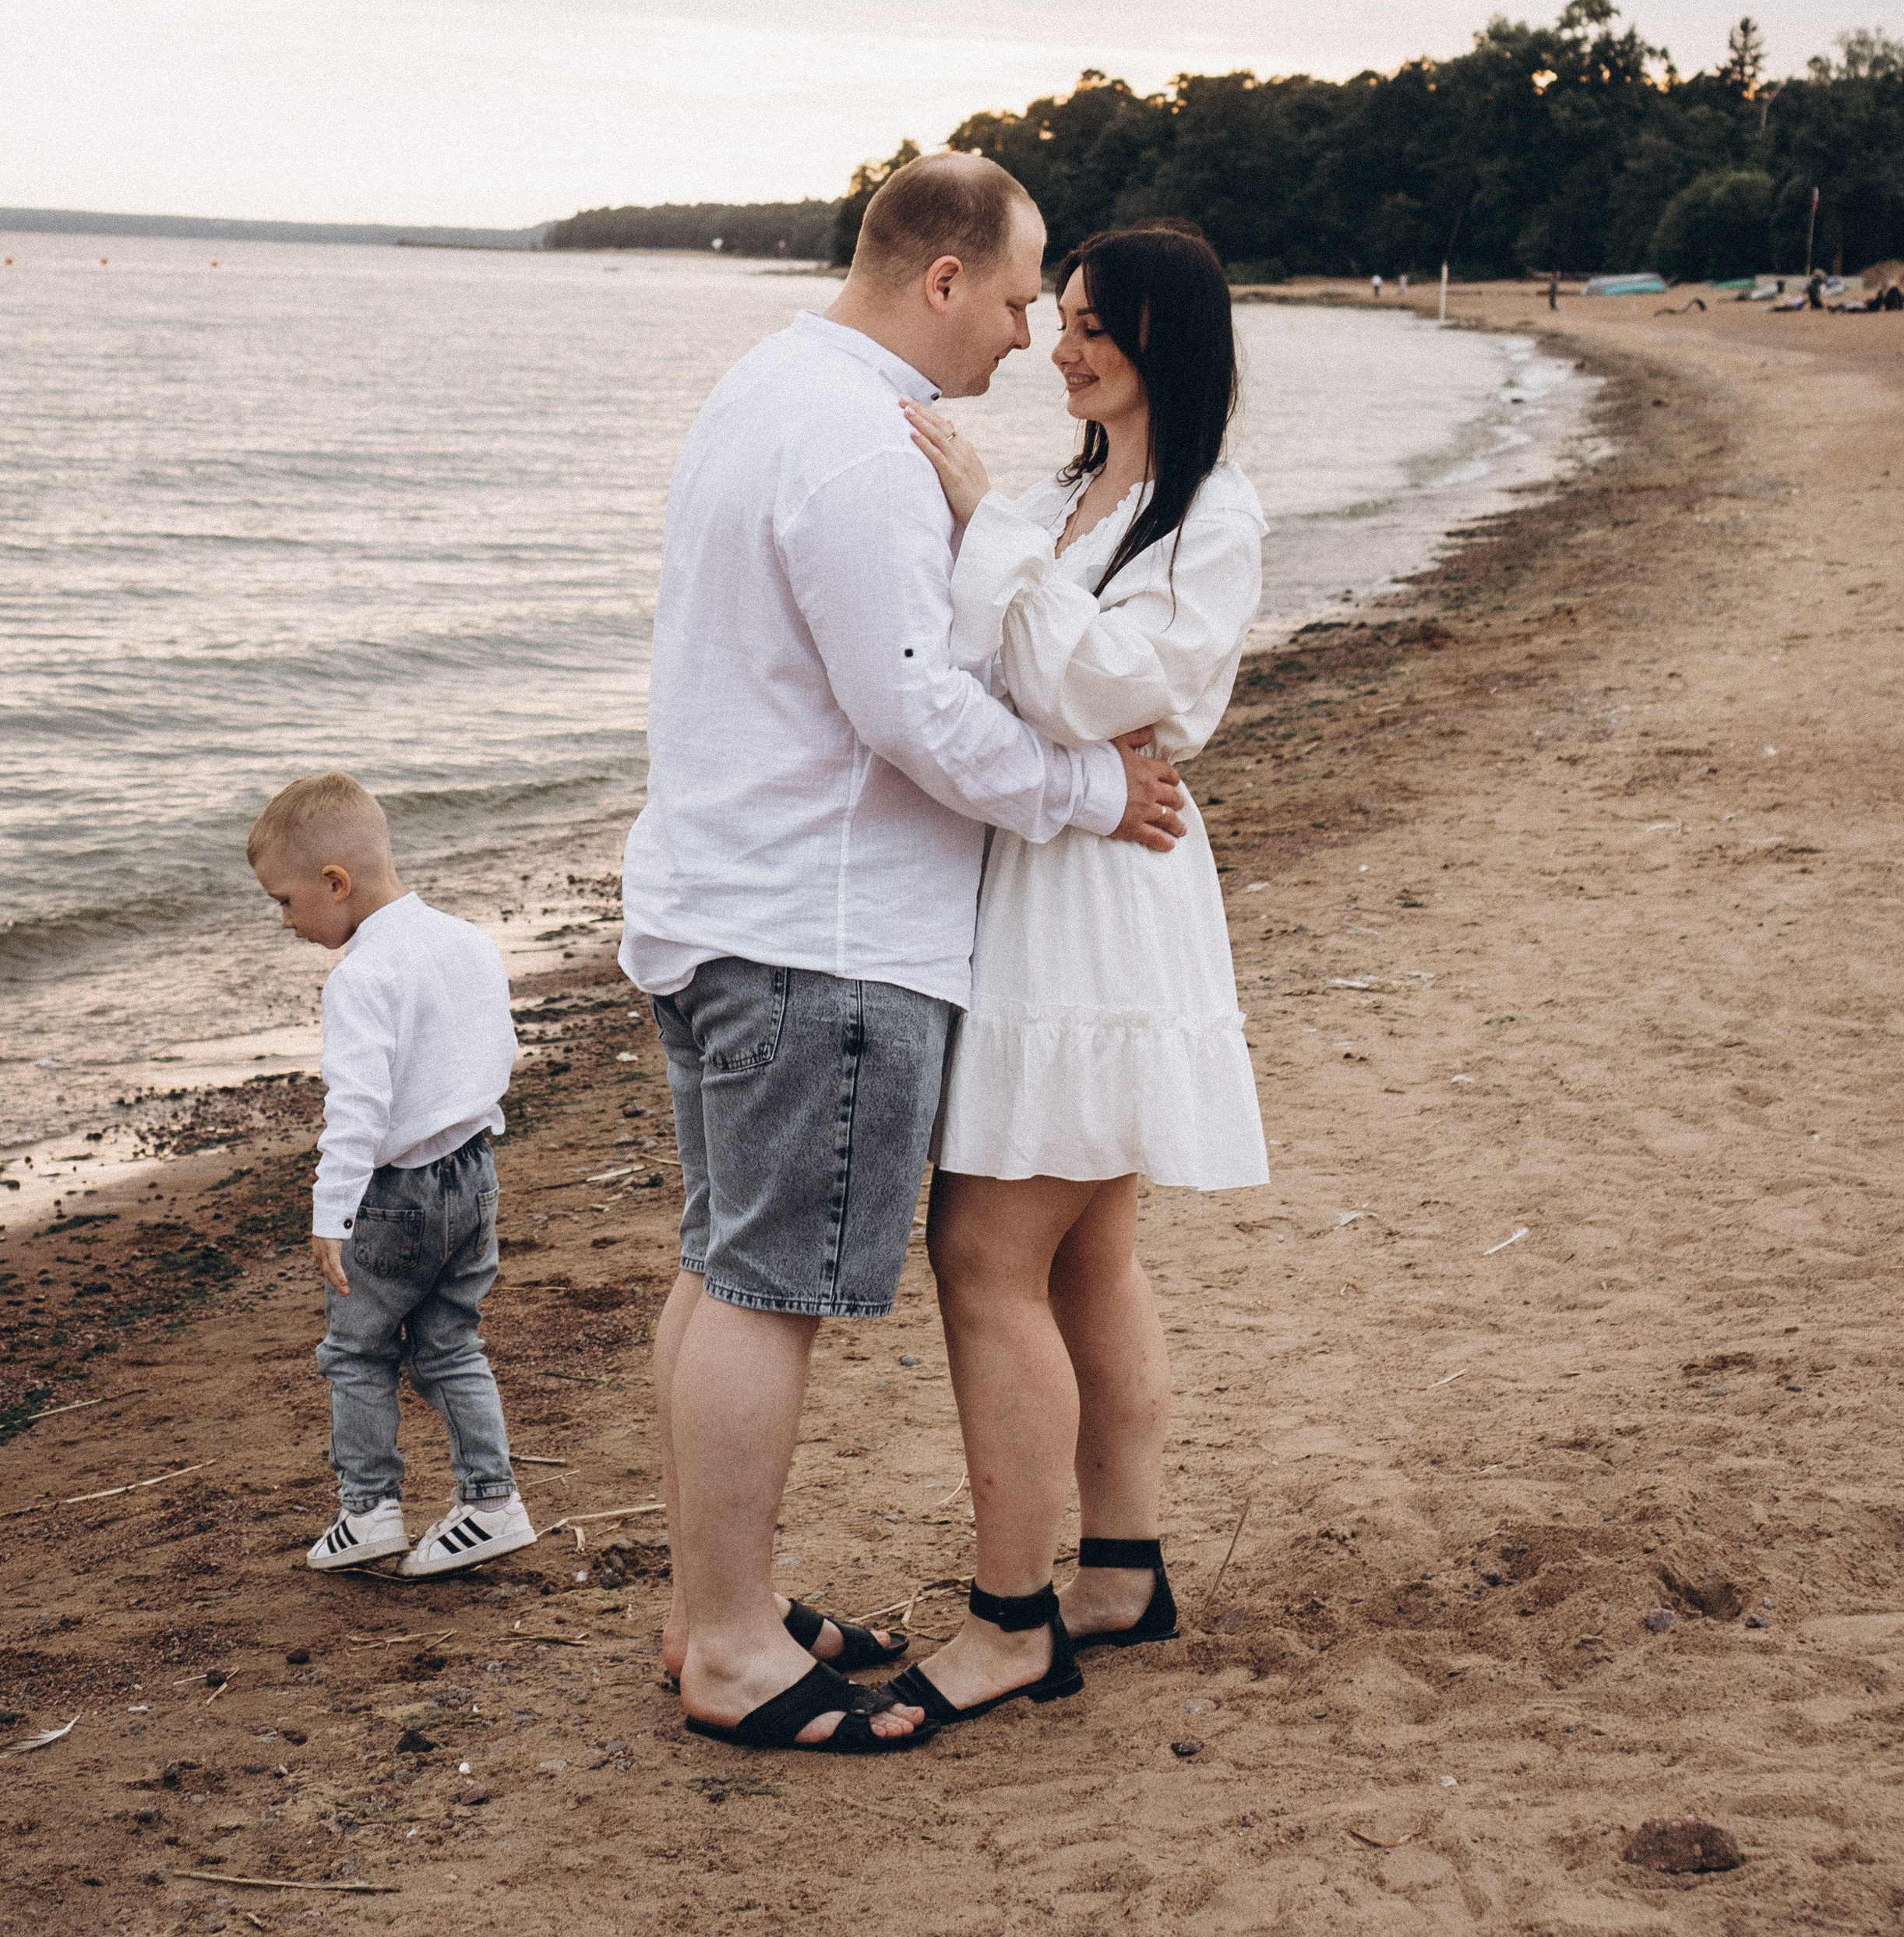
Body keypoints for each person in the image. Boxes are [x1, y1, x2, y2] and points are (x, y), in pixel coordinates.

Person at [619, 153, 1188, 1755]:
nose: (1023, 340)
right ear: (942, 279)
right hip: (824, 924)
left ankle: (704, 1603)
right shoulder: (860, 441)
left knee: (716, 1270)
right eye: (1015, 300)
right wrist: (1094, 790)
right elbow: (910, 707)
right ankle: (729, 1639)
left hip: (719, 895)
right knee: (761, 1292)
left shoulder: (760, 387)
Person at [871, 222, 1268, 1746]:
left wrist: (994, 542)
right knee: (1087, 1254)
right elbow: (989, 671)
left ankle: (1009, 1621)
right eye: (1064, 320)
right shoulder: (1051, 495)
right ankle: (1117, 1571)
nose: (1061, 347)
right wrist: (1014, 565)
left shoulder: (1209, 516)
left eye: (1093, 326)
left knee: (987, 1253)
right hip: (1044, 862)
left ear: (1160, 339)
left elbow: (1115, 689)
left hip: (1106, 889)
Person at [246, 772, 535, 1578]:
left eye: (285, 900)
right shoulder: (468, 942)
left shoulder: (361, 977)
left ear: (335, 883)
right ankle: (491, 1502)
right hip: (475, 1172)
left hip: (395, 1196)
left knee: (358, 1354)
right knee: (449, 1346)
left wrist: (329, 1215)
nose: (286, 920)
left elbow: (358, 1111)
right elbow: (500, 1053)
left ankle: (369, 1510)